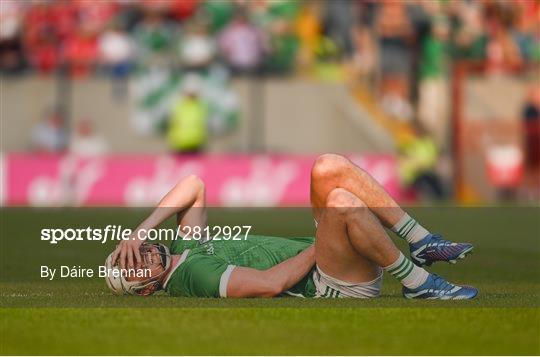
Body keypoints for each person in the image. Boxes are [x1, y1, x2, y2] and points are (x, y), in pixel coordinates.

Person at [108, 154, 477, 299]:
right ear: (145, 288)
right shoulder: (193, 276)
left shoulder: (180, 248)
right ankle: (416, 283)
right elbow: (272, 285)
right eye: (132, 265)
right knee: (341, 203)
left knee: (328, 167)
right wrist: (322, 242)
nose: (137, 255)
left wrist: (139, 230)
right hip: (330, 283)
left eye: (129, 254)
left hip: (328, 255)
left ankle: (421, 240)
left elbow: (193, 185)